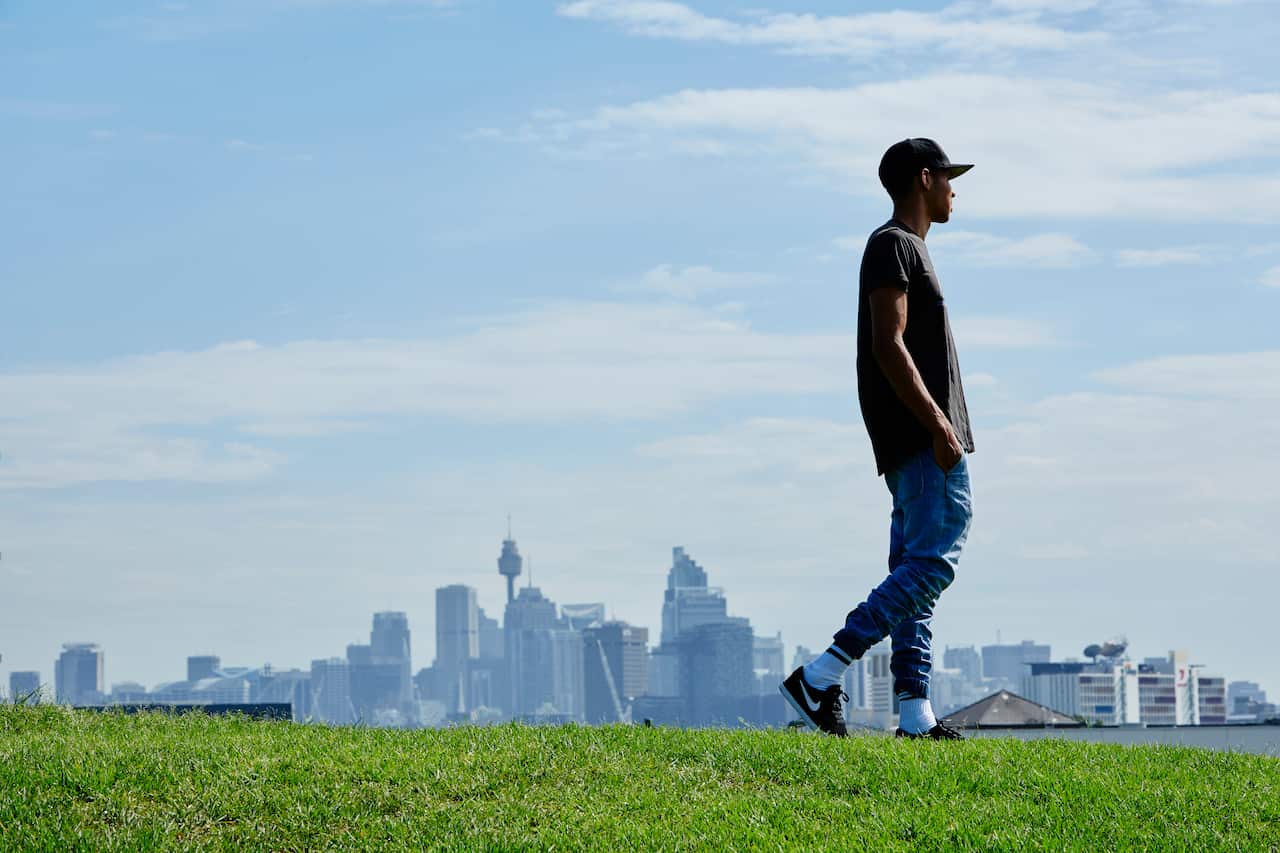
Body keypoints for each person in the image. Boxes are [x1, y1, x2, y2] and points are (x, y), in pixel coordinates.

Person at [780, 138, 975, 740]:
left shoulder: (908, 248)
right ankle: (821, 673)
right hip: (923, 437)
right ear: (924, 179)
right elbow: (887, 344)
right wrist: (940, 426)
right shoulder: (893, 244)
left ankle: (915, 715)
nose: (954, 190)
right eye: (948, 179)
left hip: (921, 436)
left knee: (914, 566)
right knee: (933, 564)